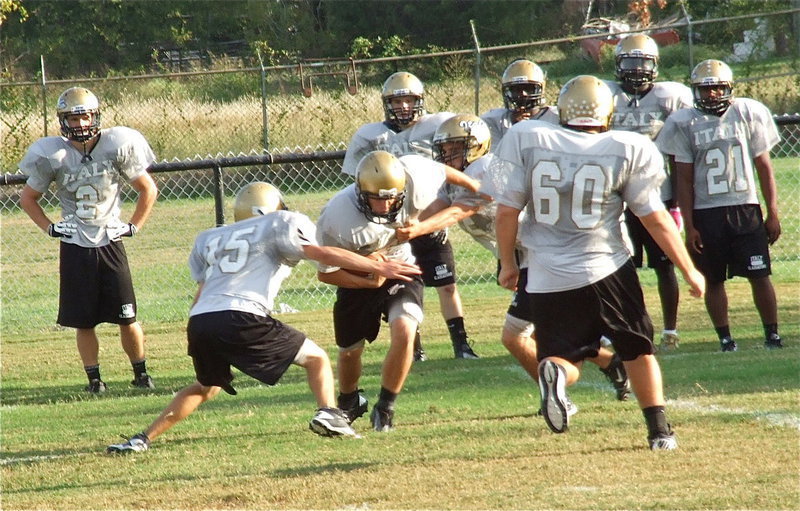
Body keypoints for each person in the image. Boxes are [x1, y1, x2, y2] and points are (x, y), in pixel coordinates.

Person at [106, 182, 423, 452]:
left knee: (206, 386)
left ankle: (141, 439)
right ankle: (329, 412)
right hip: (241, 313)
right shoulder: (280, 222)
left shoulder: (209, 238)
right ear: (273, 208)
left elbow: (202, 290)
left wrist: (197, 330)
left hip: (201, 320)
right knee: (317, 359)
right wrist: (377, 266)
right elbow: (321, 254)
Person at [493, 75, 705, 450]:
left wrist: (508, 264)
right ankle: (659, 432)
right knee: (637, 350)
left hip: (546, 273)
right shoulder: (626, 146)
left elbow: (507, 212)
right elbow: (654, 218)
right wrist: (688, 269)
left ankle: (554, 373)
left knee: (563, 355)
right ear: (607, 112)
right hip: (606, 266)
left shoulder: (530, 138)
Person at [397, 114, 631, 402]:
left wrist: (419, 229)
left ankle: (558, 397)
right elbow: (440, 205)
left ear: (475, 146)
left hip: (545, 253)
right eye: (445, 148)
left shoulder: (486, 168)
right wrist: (401, 222)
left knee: (516, 336)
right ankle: (609, 364)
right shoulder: (459, 178)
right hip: (527, 255)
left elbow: (460, 210)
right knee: (541, 334)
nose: (447, 154)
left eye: (454, 147)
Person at [19, 87, 159, 394]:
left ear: (95, 115)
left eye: (84, 116)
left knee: (127, 316)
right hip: (75, 243)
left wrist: (134, 226)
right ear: (63, 120)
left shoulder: (117, 145)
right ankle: (94, 380)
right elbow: (28, 198)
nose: (80, 124)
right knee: (84, 321)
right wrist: (51, 228)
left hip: (110, 239)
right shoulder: (52, 153)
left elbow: (147, 188)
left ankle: (141, 374)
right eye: (73, 117)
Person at [317, 150, 462, 432]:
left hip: (400, 269)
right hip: (358, 280)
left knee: (406, 330)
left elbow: (443, 171)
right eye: (376, 198)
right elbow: (326, 273)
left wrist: (475, 186)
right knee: (349, 352)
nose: (385, 206)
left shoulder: (414, 180)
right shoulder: (336, 215)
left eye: (391, 198)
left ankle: (386, 407)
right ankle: (349, 400)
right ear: (361, 191)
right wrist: (368, 278)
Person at [342, 71, 479, 360]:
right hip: (392, 226)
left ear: (420, 100)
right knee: (402, 286)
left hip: (429, 217)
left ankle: (462, 345)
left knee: (446, 284)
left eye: (409, 99)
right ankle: (414, 349)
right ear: (386, 103)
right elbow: (357, 182)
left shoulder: (438, 124)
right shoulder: (370, 135)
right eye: (397, 100)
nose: (403, 106)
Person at [656, 59, 784, 352]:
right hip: (706, 211)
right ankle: (726, 338)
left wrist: (773, 211)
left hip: (745, 207)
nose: (712, 94)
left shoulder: (747, 112)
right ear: (695, 91)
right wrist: (689, 226)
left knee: (760, 273)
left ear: (728, 88)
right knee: (713, 279)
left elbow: (764, 167)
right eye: (705, 89)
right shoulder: (683, 121)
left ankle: (773, 335)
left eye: (717, 88)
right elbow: (684, 180)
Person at [604, 34, 694, 351]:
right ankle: (622, 324)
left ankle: (670, 329)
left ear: (655, 65)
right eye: (630, 61)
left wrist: (678, 208)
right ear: (618, 64)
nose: (637, 69)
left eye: (643, 62)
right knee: (616, 265)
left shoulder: (671, 97)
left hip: (656, 192)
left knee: (664, 264)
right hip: (613, 195)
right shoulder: (606, 95)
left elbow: (678, 149)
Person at [480, 58, 559, 147]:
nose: (523, 94)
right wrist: (514, 130)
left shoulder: (557, 117)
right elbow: (496, 157)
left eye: (528, 88)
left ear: (541, 88)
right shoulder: (495, 121)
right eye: (516, 89)